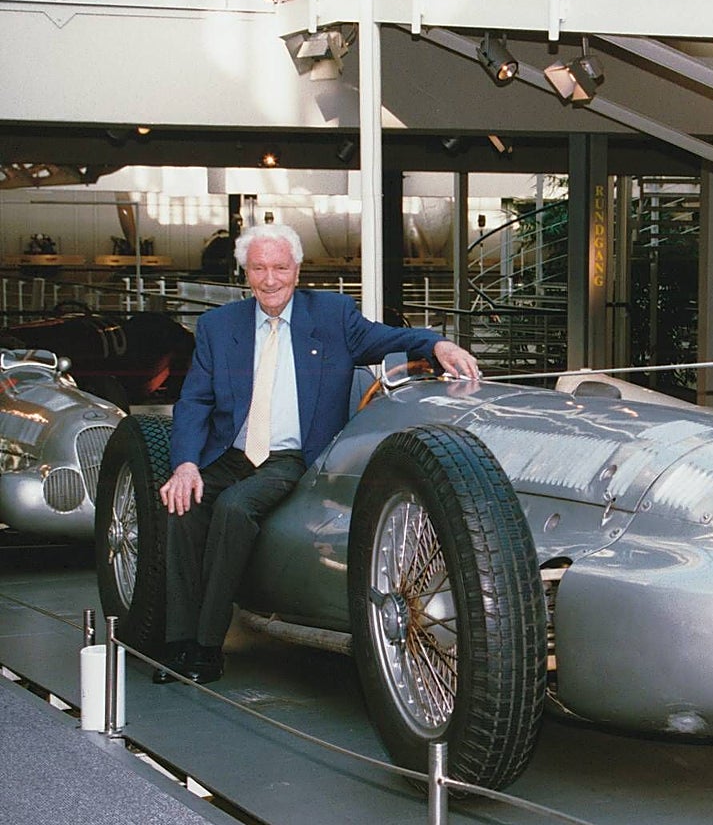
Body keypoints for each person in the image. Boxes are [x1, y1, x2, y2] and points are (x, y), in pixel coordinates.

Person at [154, 223, 479, 685]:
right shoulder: (218, 326)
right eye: (259, 268)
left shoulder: (332, 315)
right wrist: (186, 464)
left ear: (297, 270)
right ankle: (177, 642)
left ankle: (207, 646)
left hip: (293, 456)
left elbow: (390, 338)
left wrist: (438, 343)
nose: (270, 279)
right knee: (183, 507)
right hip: (231, 451)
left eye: (280, 268)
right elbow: (195, 401)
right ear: (245, 272)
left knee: (234, 508)